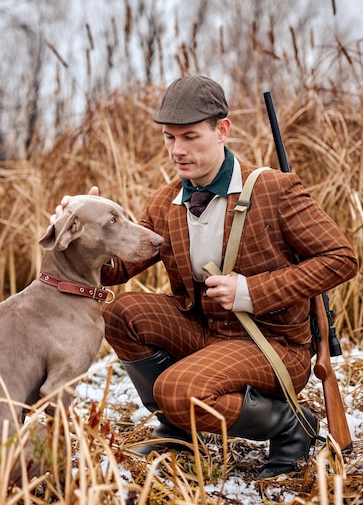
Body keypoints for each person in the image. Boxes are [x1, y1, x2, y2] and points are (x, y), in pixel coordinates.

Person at [54, 75, 357, 478]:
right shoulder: (165, 201)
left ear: (222, 131)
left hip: (271, 343)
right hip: (205, 334)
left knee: (176, 390)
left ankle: (291, 425)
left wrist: (251, 290)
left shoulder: (274, 190)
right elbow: (115, 272)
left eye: (190, 136)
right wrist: (78, 234)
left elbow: (341, 258)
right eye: (169, 137)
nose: (177, 150)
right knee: (120, 312)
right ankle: (180, 433)